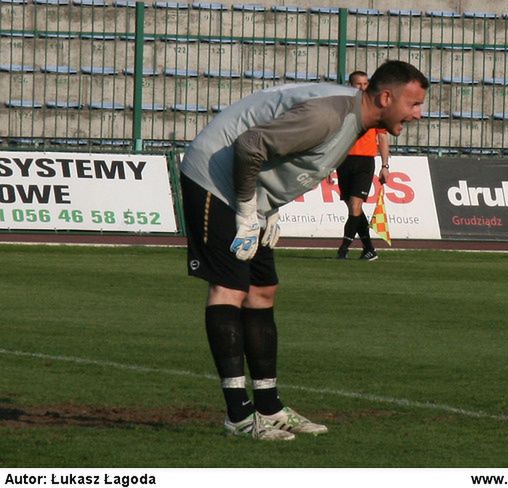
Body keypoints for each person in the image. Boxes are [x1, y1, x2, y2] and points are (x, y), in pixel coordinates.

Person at [179, 60, 429, 441]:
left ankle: (269, 408)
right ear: (385, 97)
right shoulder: (329, 116)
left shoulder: (353, 117)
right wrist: (248, 210)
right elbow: (250, 145)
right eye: (413, 104)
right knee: (229, 288)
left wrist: (268, 207)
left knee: (262, 291)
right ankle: (238, 416)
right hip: (214, 178)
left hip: (249, 190)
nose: (418, 114)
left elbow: (280, 154)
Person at [335, 70, 390, 261]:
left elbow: (382, 136)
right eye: (359, 84)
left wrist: (385, 165)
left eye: (366, 84)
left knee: (356, 204)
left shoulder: (376, 109)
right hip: (343, 160)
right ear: (351, 85)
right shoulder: (343, 107)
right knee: (353, 208)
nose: (363, 87)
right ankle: (369, 249)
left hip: (365, 161)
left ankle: (343, 248)